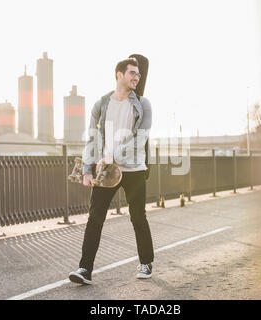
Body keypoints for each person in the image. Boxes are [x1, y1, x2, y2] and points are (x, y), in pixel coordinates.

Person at [69, 57, 154, 285]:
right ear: (119, 74)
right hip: (105, 171)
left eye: (138, 74)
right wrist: (88, 168)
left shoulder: (142, 104)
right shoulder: (102, 104)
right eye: (132, 73)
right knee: (95, 219)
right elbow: (92, 138)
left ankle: (146, 262)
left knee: (138, 217)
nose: (137, 77)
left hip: (134, 169)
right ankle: (84, 269)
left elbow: (141, 137)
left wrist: (112, 156)